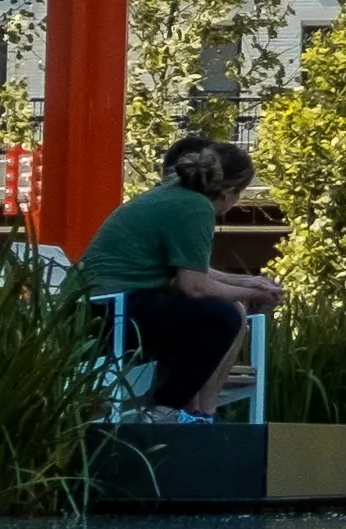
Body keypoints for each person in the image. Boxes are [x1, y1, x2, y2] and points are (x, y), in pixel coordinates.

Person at [78, 138, 285, 420]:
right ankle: (168, 409)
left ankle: (197, 412)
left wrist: (249, 284)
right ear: (229, 192)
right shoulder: (196, 208)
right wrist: (252, 296)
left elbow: (191, 270)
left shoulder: (173, 195)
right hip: (109, 311)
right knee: (221, 317)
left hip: (101, 305)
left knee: (220, 311)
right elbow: (194, 286)